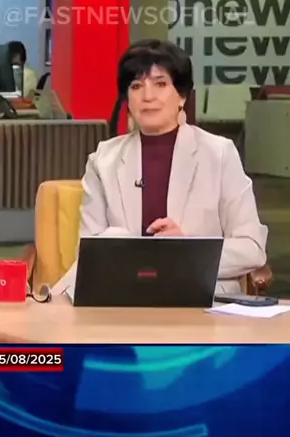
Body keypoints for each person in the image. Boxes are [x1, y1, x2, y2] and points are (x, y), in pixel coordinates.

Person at [53, 38, 268, 298]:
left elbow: (251, 248)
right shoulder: (103, 160)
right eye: (136, 86)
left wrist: (184, 252)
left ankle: (47, 307)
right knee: (113, 238)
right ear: (127, 98)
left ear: (182, 96)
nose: (148, 96)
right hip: (122, 294)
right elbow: (88, 251)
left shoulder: (219, 154)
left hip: (200, 296)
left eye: (160, 84)